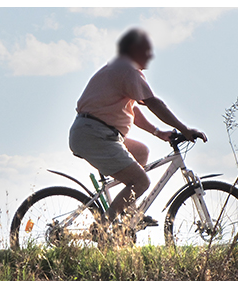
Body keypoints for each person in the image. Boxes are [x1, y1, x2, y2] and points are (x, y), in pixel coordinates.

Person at [69, 28, 206, 235]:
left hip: (96, 133)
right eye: (146, 50)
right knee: (141, 181)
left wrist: (158, 132)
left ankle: (129, 215)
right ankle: (102, 228)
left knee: (141, 152)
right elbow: (154, 103)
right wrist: (184, 129)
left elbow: (131, 107)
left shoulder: (119, 69)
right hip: (95, 134)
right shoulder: (127, 69)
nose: (151, 55)